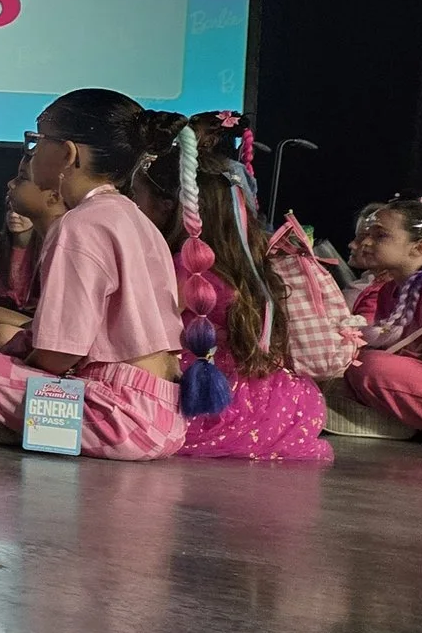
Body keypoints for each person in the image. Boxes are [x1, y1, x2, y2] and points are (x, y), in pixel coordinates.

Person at [0, 89, 190, 459]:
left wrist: (18, 366)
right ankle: (17, 419)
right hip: (168, 417)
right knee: (2, 339)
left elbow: (59, 355)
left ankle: (17, 422)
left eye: (37, 140)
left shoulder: (80, 224)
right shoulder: (139, 221)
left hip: (117, 417)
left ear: (68, 154)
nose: (31, 153)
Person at [127, 112, 328, 460]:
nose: (132, 205)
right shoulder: (246, 264)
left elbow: (145, 333)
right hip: (267, 401)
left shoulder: (181, 268)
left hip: (204, 399)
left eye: (136, 196)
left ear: (166, 207)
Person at [342, 197, 422, 435]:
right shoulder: (388, 290)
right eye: (367, 234)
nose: (366, 242)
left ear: (419, 248)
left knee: (372, 366)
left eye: (380, 236)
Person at [0, 161, 67, 347]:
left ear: (53, 196)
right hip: (9, 312)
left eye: (22, 178)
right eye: (9, 210)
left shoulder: (61, 244)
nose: (14, 215)